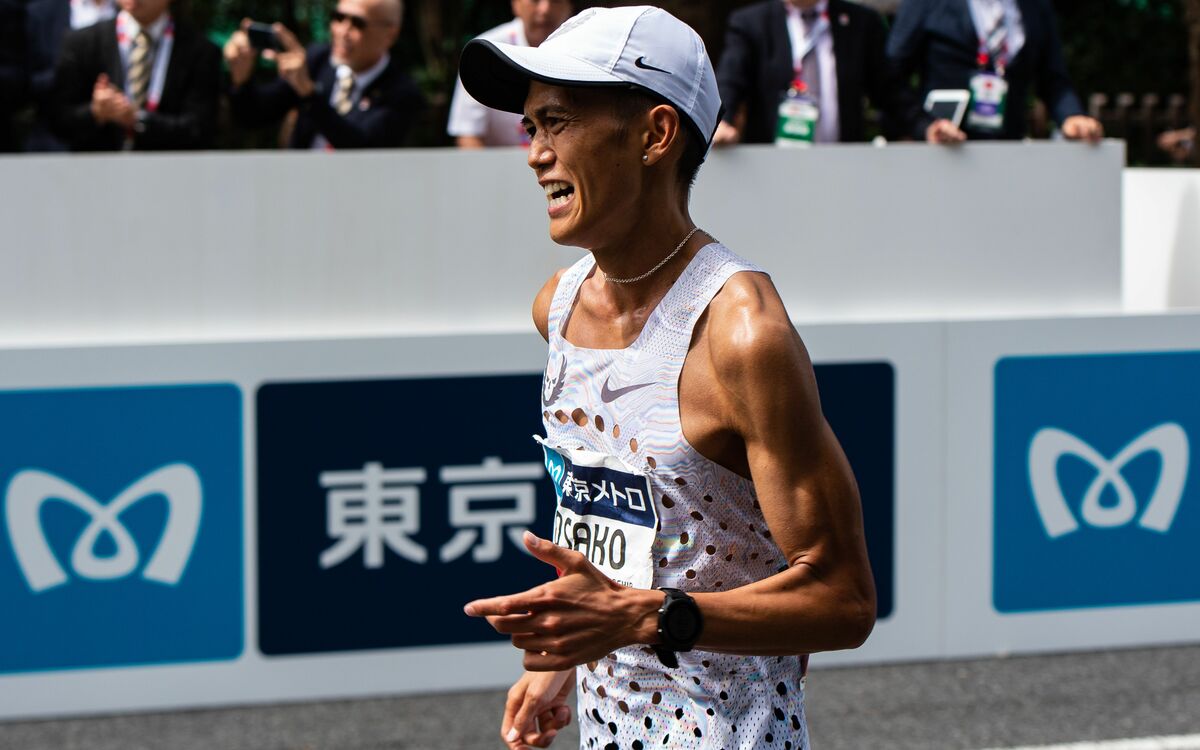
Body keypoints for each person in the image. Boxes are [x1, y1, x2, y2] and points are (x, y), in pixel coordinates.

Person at [457, 6, 876, 749]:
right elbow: (623, 528)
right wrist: (564, 656)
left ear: (655, 135)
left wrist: (647, 617)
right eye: (531, 128)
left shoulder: (741, 333)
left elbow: (844, 599)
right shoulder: (557, 307)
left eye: (558, 123)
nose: (535, 154)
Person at [886, 0, 1103, 144]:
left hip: (1009, 151)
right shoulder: (925, 3)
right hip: (945, 152)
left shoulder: (1035, 6)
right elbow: (892, 75)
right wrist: (922, 126)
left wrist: (1071, 116)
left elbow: (1054, 79)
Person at [224, 0, 423, 150]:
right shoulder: (318, 60)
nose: (343, 31)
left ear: (390, 34)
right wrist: (241, 79)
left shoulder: (401, 92)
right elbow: (254, 116)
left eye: (357, 23)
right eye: (338, 18)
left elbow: (362, 147)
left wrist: (309, 94)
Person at [714, 0, 911, 145]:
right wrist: (721, 123)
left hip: (843, 167)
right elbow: (730, 81)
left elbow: (891, 91)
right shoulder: (751, 23)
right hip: (772, 168)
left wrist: (923, 128)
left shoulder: (862, 22)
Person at [51, 0, 220, 151]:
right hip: (95, 170)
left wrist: (138, 119)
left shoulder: (200, 50)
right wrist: (95, 112)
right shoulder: (82, 43)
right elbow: (57, 120)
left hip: (169, 168)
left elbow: (200, 129)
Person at [446, 0, 572, 148]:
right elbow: (468, 135)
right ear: (515, 4)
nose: (545, 9)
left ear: (569, 6)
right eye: (535, 0)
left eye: (556, 0)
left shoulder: (583, 51)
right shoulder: (484, 53)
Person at [25, 0, 118, 150]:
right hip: (55, 143)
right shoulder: (41, 12)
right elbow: (25, 80)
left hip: (118, 141)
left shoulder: (135, 8)